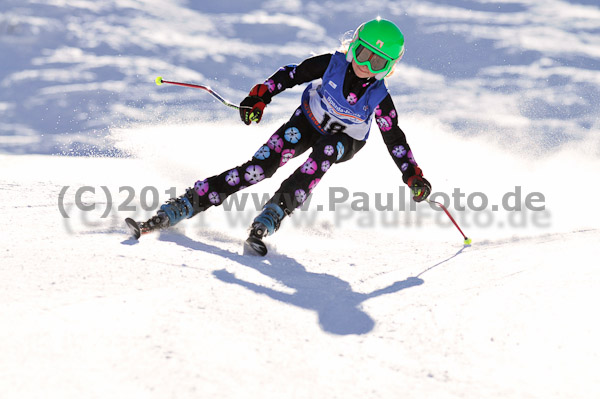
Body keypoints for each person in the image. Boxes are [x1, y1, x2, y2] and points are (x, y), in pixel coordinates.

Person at [127, 18, 432, 255]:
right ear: (352, 47)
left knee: (326, 149)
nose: (365, 66)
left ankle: (275, 211)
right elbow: (291, 74)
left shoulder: (378, 98)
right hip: (306, 122)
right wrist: (259, 97)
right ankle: (188, 203)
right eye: (362, 53)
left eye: (377, 62)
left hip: (344, 141)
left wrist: (412, 176)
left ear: (387, 69)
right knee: (258, 169)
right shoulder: (331, 64)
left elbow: (395, 140)